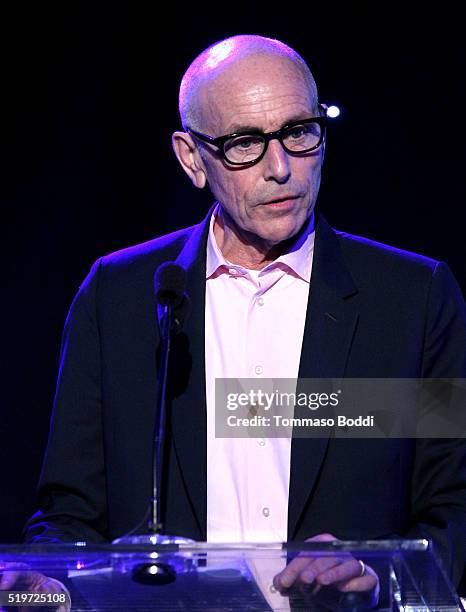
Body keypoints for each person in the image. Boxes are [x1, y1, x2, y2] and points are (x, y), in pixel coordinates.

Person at [23, 34, 465, 601]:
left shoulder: (412, 300)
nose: (280, 168)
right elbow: (69, 522)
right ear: (191, 159)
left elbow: (452, 509)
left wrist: (378, 579)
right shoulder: (119, 298)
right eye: (244, 144)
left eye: (299, 132)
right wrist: (38, 592)